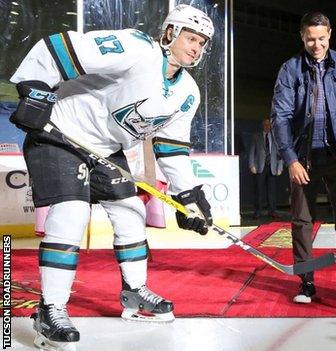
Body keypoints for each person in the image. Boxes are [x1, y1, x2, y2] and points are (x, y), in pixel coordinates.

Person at [10, 5, 215, 350]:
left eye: (202, 43)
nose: (196, 47)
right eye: (190, 38)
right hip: (60, 133)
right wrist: (35, 88)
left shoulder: (188, 92)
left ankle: (134, 292)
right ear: (169, 33)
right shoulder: (136, 49)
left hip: (106, 150)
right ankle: (50, 309)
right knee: (71, 212)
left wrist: (188, 195)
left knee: (131, 211)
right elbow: (60, 48)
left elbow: (171, 146)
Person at [271, 11, 336, 304]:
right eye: (311, 39)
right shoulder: (290, 69)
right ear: (302, 36)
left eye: (321, 39)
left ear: (330, 35)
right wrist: (291, 159)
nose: (316, 45)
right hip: (304, 159)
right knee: (302, 221)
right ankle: (307, 283)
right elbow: (280, 116)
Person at [248, 118, 283, 219]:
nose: (267, 126)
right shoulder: (256, 136)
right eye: (265, 124)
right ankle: (258, 212)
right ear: (262, 125)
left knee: (272, 191)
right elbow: (252, 152)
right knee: (259, 191)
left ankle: (272, 211)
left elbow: (280, 153)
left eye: (269, 125)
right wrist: (252, 165)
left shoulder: (275, 137)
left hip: (273, 167)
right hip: (259, 167)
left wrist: (280, 167)